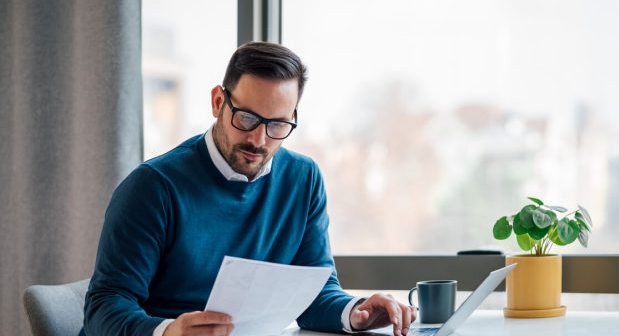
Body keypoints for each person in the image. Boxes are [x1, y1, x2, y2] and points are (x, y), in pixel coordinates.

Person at [80, 42, 417, 336]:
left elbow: (315, 291)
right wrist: (168, 331)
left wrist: (355, 312)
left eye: (277, 124)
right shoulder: (153, 187)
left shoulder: (303, 179)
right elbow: (104, 308)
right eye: (246, 118)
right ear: (217, 102)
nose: (259, 140)